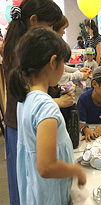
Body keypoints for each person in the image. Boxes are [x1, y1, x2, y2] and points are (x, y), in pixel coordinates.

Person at [9, 27, 86, 204]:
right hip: (49, 195)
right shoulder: (46, 107)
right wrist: (76, 171)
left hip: (35, 191)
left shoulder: (24, 99)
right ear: (53, 62)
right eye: (63, 63)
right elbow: (47, 167)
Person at [3, 1, 63, 204]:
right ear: (33, 20)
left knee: (24, 178)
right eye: (50, 27)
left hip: (19, 121)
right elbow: (29, 89)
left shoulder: (19, 46)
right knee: (28, 181)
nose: (53, 33)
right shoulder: (23, 50)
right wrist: (57, 101)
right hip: (22, 124)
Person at [53, 15, 89, 86]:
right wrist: (80, 75)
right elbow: (62, 76)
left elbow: (61, 66)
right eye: (63, 28)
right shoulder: (53, 46)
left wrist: (78, 70)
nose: (64, 32)